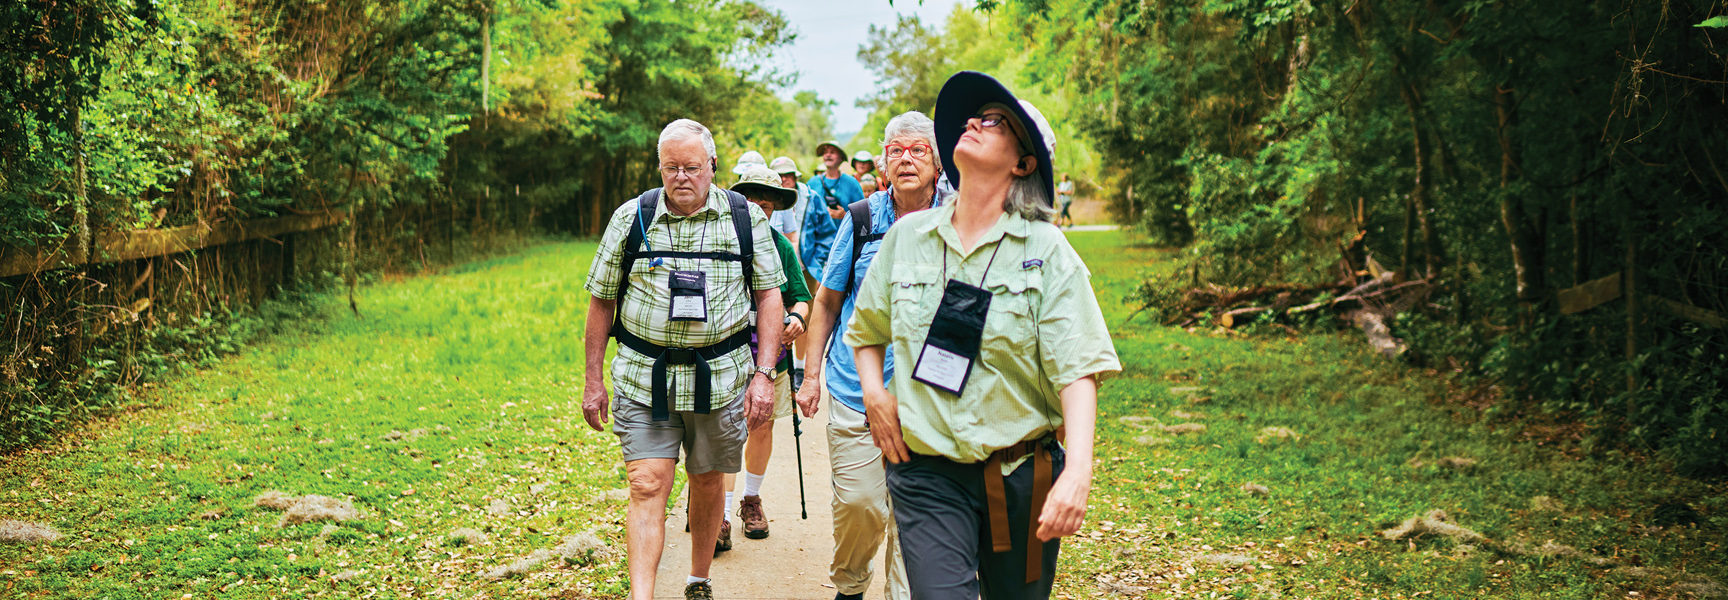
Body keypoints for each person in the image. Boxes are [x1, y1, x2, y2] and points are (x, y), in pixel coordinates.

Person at [844, 72, 1121, 600]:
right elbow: (866, 330)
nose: (973, 122)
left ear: (1023, 162)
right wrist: (875, 394)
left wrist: (1079, 468)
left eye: (994, 121)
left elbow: (1078, 367)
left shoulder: (1047, 251)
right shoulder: (907, 238)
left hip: (1021, 474)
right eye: (974, 117)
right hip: (926, 473)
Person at [581, 119, 786, 600]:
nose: (681, 177)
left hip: (720, 378)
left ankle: (698, 579)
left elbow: (769, 297)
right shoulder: (631, 218)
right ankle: (643, 595)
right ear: (660, 167)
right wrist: (593, 380)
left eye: (692, 167)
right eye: (671, 167)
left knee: (709, 480)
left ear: (711, 166)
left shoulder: (745, 219)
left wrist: (763, 375)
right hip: (643, 376)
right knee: (647, 483)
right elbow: (600, 301)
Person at [795, 111, 948, 600]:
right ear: (883, 161)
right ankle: (851, 585)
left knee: (914, 521)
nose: (906, 159)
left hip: (931, 399)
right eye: (896, 150)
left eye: (918, 150)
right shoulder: (862, 219)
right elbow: (829, 299)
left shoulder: (959, 218)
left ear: (938, 161)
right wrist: (811, 374)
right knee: (862, 506)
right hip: (855, 390)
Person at [722, 165, 812, 542]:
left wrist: (796, 318)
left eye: (768, 202)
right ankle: (719, 514)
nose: (760, 207)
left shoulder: (780, 246)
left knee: (761, 425)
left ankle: (751, 500)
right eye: (753, 199)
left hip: (770, 355)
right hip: (723, 355)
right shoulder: (720, 240)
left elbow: (803, 298)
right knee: (724, 434)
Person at [800, 140, 863, 314]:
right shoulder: (813, 183)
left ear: (841, 158)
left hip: (844, 245)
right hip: (817, 247)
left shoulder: (851, 183)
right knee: (815, 291)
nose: (827, 154)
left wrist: (844, 216)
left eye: (833, 152)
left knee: (837, 291)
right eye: (825, 151)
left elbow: (863, 215)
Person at [770, 155, 815, 389]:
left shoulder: (809, 197)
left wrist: (816, 262)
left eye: (788, 175)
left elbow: (793, 238)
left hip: (802, 266)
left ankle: (799, 367)